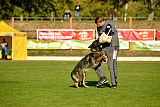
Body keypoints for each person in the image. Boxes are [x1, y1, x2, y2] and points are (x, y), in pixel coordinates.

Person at [94, 16, 119, 89]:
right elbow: (100, 38)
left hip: (113, 47)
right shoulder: (98, 27)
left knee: (111, 65)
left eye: (98, 24)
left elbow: (105, 37)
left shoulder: (109, 24)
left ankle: (114, 83)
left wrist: (97, 42)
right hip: (104, 48)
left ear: (102, 21)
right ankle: (102, 77)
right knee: (95, 61)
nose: (98, 26)